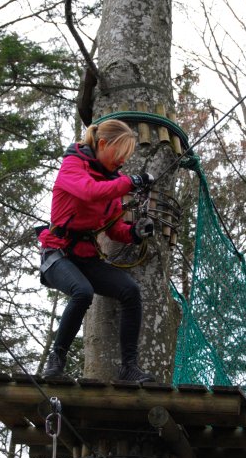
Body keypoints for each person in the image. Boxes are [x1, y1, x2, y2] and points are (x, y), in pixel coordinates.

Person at [38, 118, 157, 382]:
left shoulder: (112, 181)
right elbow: (89, 192)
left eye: (125, 158)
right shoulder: (73, 165)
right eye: (119, 155)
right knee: (82, 292)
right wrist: (130, 182)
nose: (122, 163)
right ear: (102, 144)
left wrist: (135, 233)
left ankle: (129, 366)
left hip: (85, 256)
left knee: (130, 291)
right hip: (57, 253)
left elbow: (114, 228)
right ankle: (55, 363)